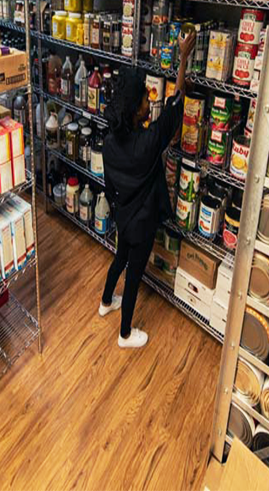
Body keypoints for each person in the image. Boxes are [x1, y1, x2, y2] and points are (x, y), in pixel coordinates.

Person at [98, 30, 196, 348]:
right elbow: (176, 103)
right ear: (134, 109)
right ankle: (125, 334)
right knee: (134, 276)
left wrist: (119, 210)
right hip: (141, 224)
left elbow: (109, 184)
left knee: (119, 259)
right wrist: (183, 58)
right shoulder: (148, 141)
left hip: (123, 217)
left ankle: (105, 303)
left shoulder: (110, 140)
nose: (149, 101)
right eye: (144, 99)